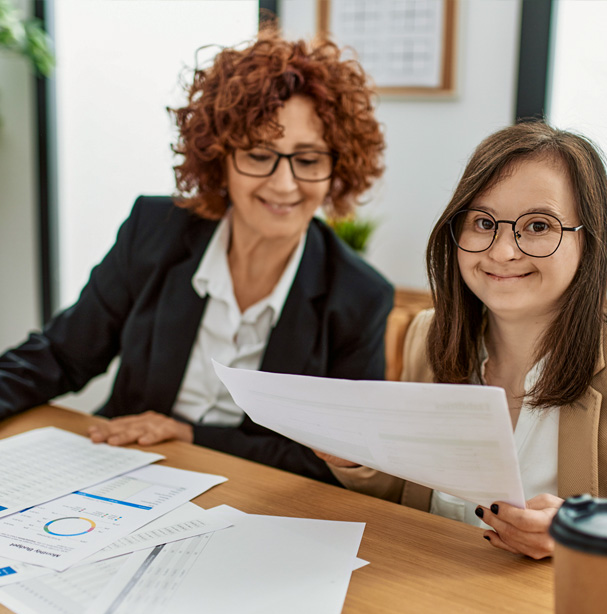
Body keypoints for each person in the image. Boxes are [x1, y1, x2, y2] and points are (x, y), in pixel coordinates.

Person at [320, 122, 607, 590]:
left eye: (537, 226)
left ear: (588, 241)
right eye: (484, 223)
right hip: (427, 594)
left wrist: (587, 539)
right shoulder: (430, 336)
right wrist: (355, 463)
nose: (503, 250)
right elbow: (415, 497)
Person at [0, 30, 393, 484]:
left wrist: (188, 435)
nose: (285, 184)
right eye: (259, 154)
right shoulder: (155, 230)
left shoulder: (360, 295)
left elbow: (328, 462)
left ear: (337, 167)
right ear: (219, 158)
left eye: (308, 160)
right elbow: (61, 355)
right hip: (122, 474)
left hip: (262, 502)